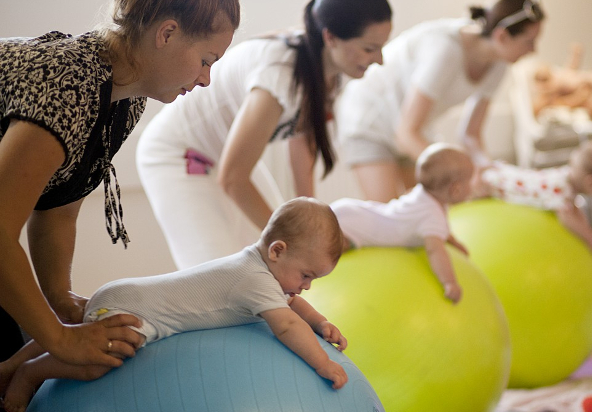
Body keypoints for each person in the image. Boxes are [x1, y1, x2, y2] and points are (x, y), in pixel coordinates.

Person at [0, 0, 241, 388]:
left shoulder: (125, 99)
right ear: (166, 33)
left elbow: (56, 207)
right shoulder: (70, 80)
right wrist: (61, 339)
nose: (206, 80)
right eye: (206, 60)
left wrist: (60, 299)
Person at [0, 197, 348, 412]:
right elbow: (286, 325)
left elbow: (293, 304)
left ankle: (13, 363)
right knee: (103, 359)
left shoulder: (257, 269)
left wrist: (320, 323)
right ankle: (31, 373)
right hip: (137, 314)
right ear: (277, 250)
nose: (306, 285)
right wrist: (323, 363)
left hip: (123, 294)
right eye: (306, 275)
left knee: (77, 332)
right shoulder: (254, 281)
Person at [136, 0, 393, 270]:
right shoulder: (279, 73)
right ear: (330, 37)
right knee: (220, 277)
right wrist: (302, 242)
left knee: (273, 262)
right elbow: (234, 178)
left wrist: (314, 225)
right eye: (369, 48)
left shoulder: (331, 72)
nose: (380, 59)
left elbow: (303, 143)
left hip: (225, 157)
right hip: (179, 153)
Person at [335, 0, 545, 202]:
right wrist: (459, 174)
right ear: (502, 36)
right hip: (369, 120)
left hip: (410, 129)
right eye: (529, 41)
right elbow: (406, 133)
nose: (533, 49)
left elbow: (471, 135)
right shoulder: (446, 49)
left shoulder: (499, 65)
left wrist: (486, 170)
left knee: (423, 211)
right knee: (388, 218)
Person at [331, 143, 476, 303]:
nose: (473, 186)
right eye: (470, 182)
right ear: (455, 189)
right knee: (332, 248)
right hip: (352, 226)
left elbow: (438, 229)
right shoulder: (431, 214)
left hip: (356, 213)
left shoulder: (422, 195)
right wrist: (449, 282)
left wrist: (453, 241)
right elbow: (435, 249)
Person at [474, 141, 592, 256]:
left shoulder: (566, 177)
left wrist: (590, 232)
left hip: (503, 175)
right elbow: (567, 218)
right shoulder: (562, 188)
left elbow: (575, 210)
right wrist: (591, 241)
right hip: (495, 185)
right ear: (591, 182)